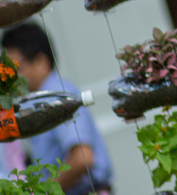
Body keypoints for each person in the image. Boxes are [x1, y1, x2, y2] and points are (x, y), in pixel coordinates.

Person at [2, 23, 113, 195]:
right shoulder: (36, 102)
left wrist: (44, 192)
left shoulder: (57, 97)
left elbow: (82, 158)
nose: (11, 77)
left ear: (40, 61)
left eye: (15, 69)